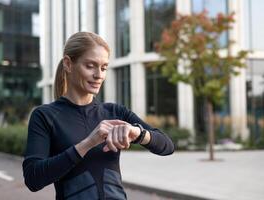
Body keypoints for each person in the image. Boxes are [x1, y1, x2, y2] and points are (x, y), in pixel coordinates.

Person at [22, 31, 174, 200]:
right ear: (68, 64)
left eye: (103, 68)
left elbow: (167, 146)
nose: (99, 75)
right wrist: (88, 143)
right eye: (90, 66)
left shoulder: (115, 112)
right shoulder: (45, 116)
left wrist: (138, 133)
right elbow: (33, 178)